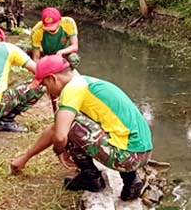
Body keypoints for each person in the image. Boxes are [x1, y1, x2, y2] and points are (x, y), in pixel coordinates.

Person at [10, 56, 153, 201]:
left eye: (45, 85)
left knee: (67, 122)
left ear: (52, 78)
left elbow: (59, 134)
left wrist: (59, 150)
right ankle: (131, 181)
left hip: (127, 157)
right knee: (77, 121)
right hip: (143, 153)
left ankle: (90, 176)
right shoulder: (88, 83)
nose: (47, 92)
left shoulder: (72, 89)